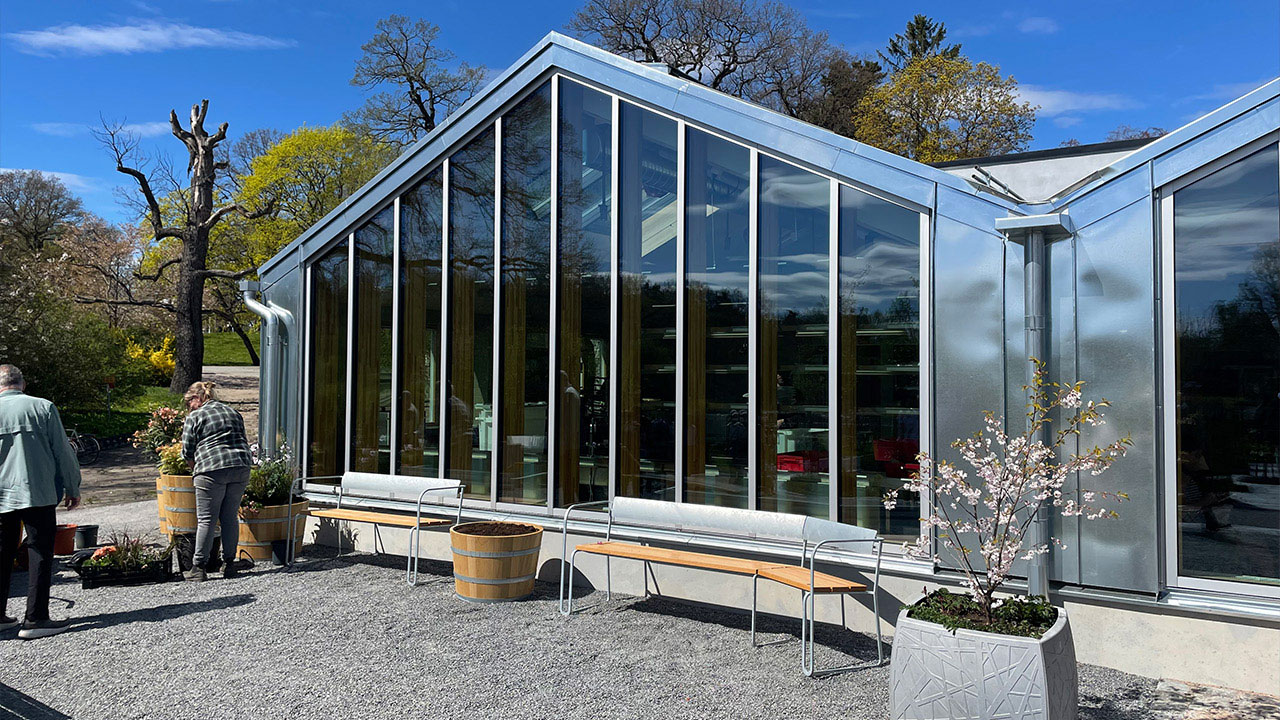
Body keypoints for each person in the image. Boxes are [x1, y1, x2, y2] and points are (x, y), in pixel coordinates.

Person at [0, 364, 81, 639]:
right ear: (22, 384)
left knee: (2, 553)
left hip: (1, 496)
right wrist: (73, 486)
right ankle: (35, 618)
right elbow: (62, 450)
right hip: (37, 491)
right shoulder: (42, 407)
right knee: (40, 551)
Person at [180, 381, 252, 582]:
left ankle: (198, 567)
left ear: (197, 398)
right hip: (240, 466)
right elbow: (242, 439)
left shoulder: (195, 416)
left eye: (189, 403)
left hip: (211, 469)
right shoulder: (233, 412)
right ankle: (229, 564)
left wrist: (195, 469)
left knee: (206, 519)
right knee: (229, 517)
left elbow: (187, 450)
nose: (189, 408)